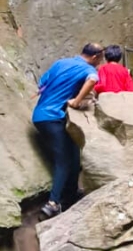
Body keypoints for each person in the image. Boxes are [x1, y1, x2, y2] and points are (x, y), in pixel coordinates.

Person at [33, 43, 105, 218]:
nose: (101, 61)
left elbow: (41, 84)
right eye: (101, 58)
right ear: (95, 57)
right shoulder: (88, 69)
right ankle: (53, 203)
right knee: (63, 160)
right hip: (53, 118)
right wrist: (76, 100)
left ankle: (71, 194)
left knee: (74, 152)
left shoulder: (61, 63)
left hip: (40, 115)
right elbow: (93, 80)